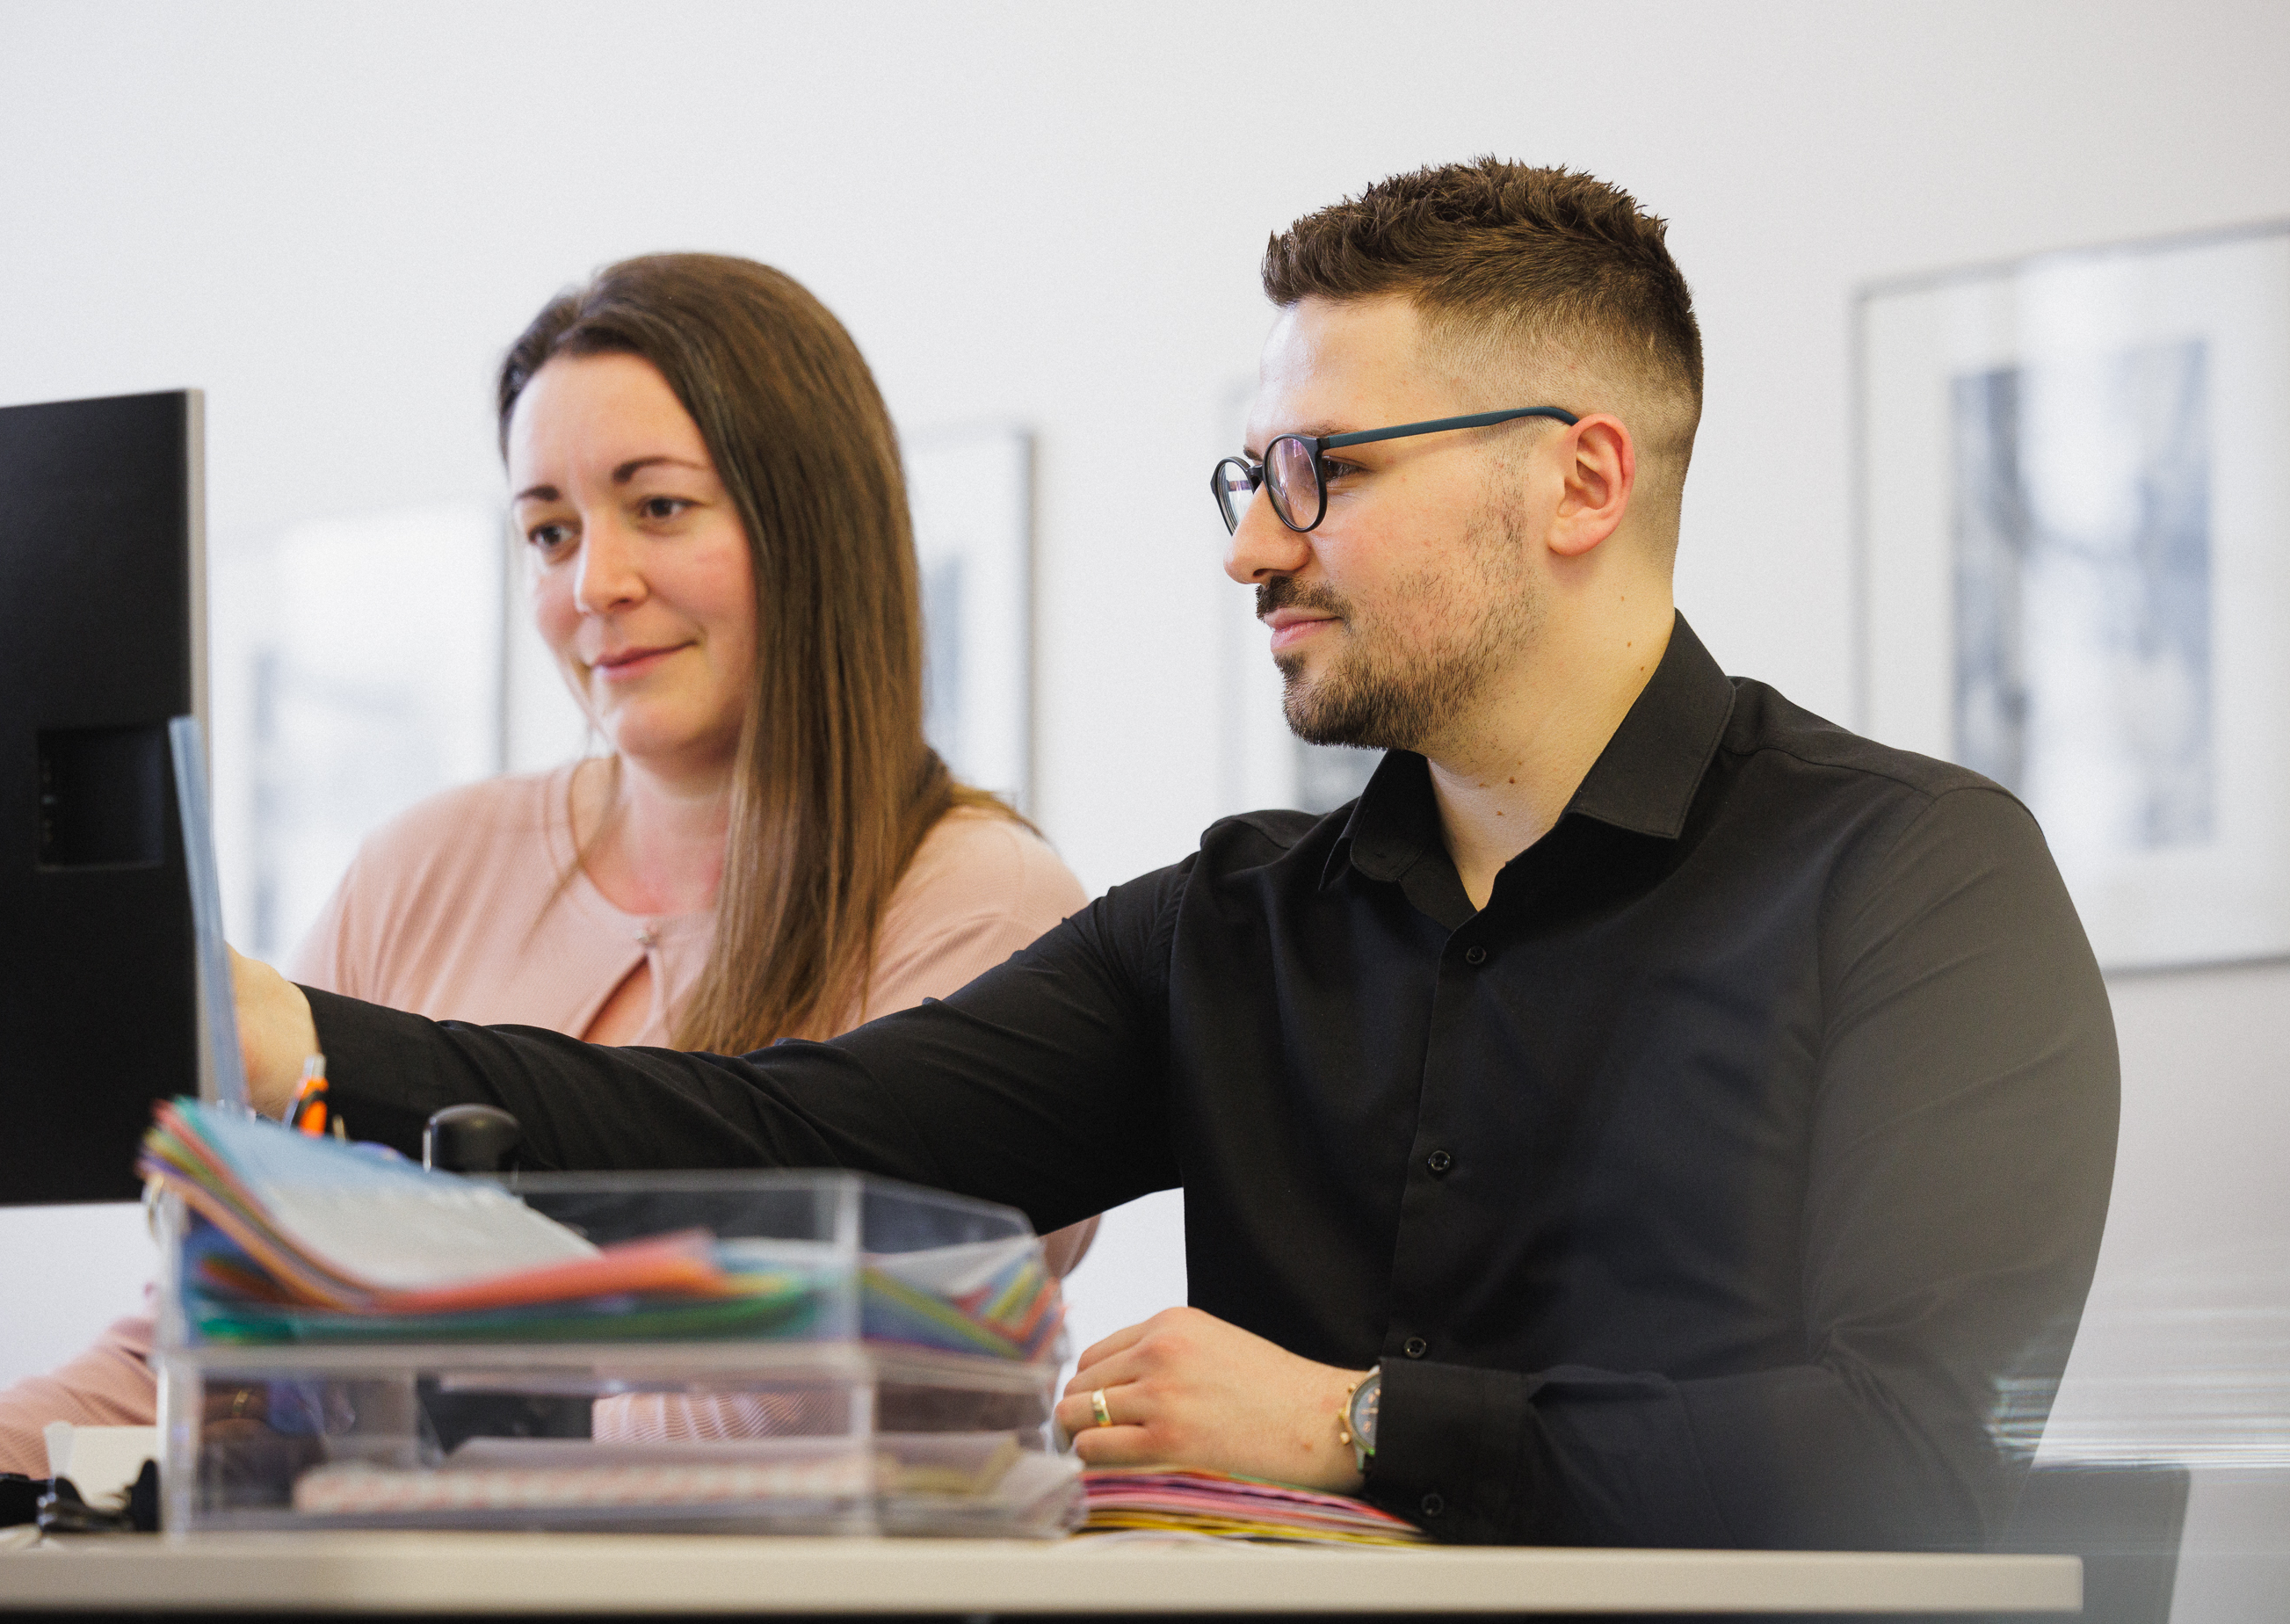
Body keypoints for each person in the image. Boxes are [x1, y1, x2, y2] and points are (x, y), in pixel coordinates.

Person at [228, 161, 2120, 1550]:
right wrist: (307, 1048)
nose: (1253, 547)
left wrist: (1360, 1423)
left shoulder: (1916, 887)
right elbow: (782, 1136)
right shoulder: (1230, 932)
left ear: (1582, 478)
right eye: (1252, 479)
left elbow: (1921, 1452)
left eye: (1331, 475)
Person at [0, 254, 1093, 1475]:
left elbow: (867, 1393)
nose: (593, 585)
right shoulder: (419, 868)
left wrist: (415, 1416)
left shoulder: (987, 907)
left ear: (812, 526)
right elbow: (199, 1350)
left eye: (658, 508)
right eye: (550, 531)